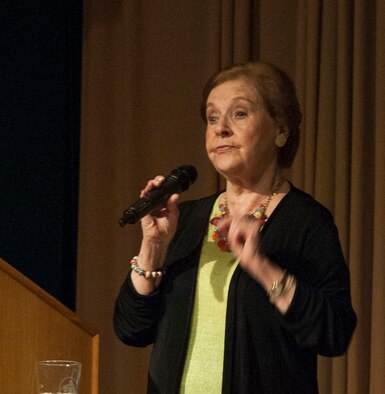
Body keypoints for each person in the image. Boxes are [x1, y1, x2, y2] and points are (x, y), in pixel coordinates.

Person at [114, 62, 357, 394]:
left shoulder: (307, 221)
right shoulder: (185, 219)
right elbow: (131, 329)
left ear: (280, 129)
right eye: (213, 118)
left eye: (239, 114)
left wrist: (262, 267)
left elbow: (334, 332)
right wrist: (153, 247)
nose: (221, 129)